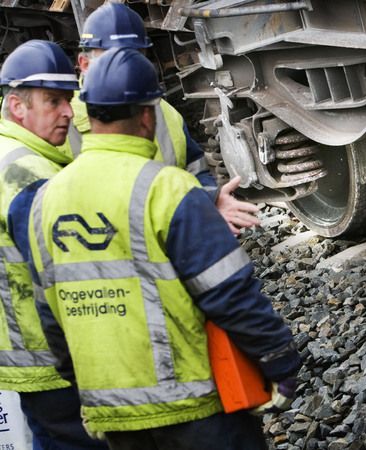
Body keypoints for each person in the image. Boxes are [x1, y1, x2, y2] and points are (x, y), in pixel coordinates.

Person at [27, 47, 300, 450]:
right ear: (147, 115)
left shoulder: (44, 201)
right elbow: (230, 293)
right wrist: (279, 361)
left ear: (89, 114)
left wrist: (85, 384)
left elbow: (51, 318)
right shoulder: (170, 190)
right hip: (194, 409)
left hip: (115, 413)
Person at [64, 2, 259, 234]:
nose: (125, 69)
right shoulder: (62, 124)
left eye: (133, 57)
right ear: (84, 64)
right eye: (112, 59)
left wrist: (208, 199)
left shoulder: (164, 113)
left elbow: (193, 170)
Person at [0, 40, 108, 449]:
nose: (68, 111)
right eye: (53, 101)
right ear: (17, 106)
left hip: (29, 354)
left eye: (68, 99)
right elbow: (63, 273)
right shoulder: (23, 172)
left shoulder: (21, 155)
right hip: (49, 357)